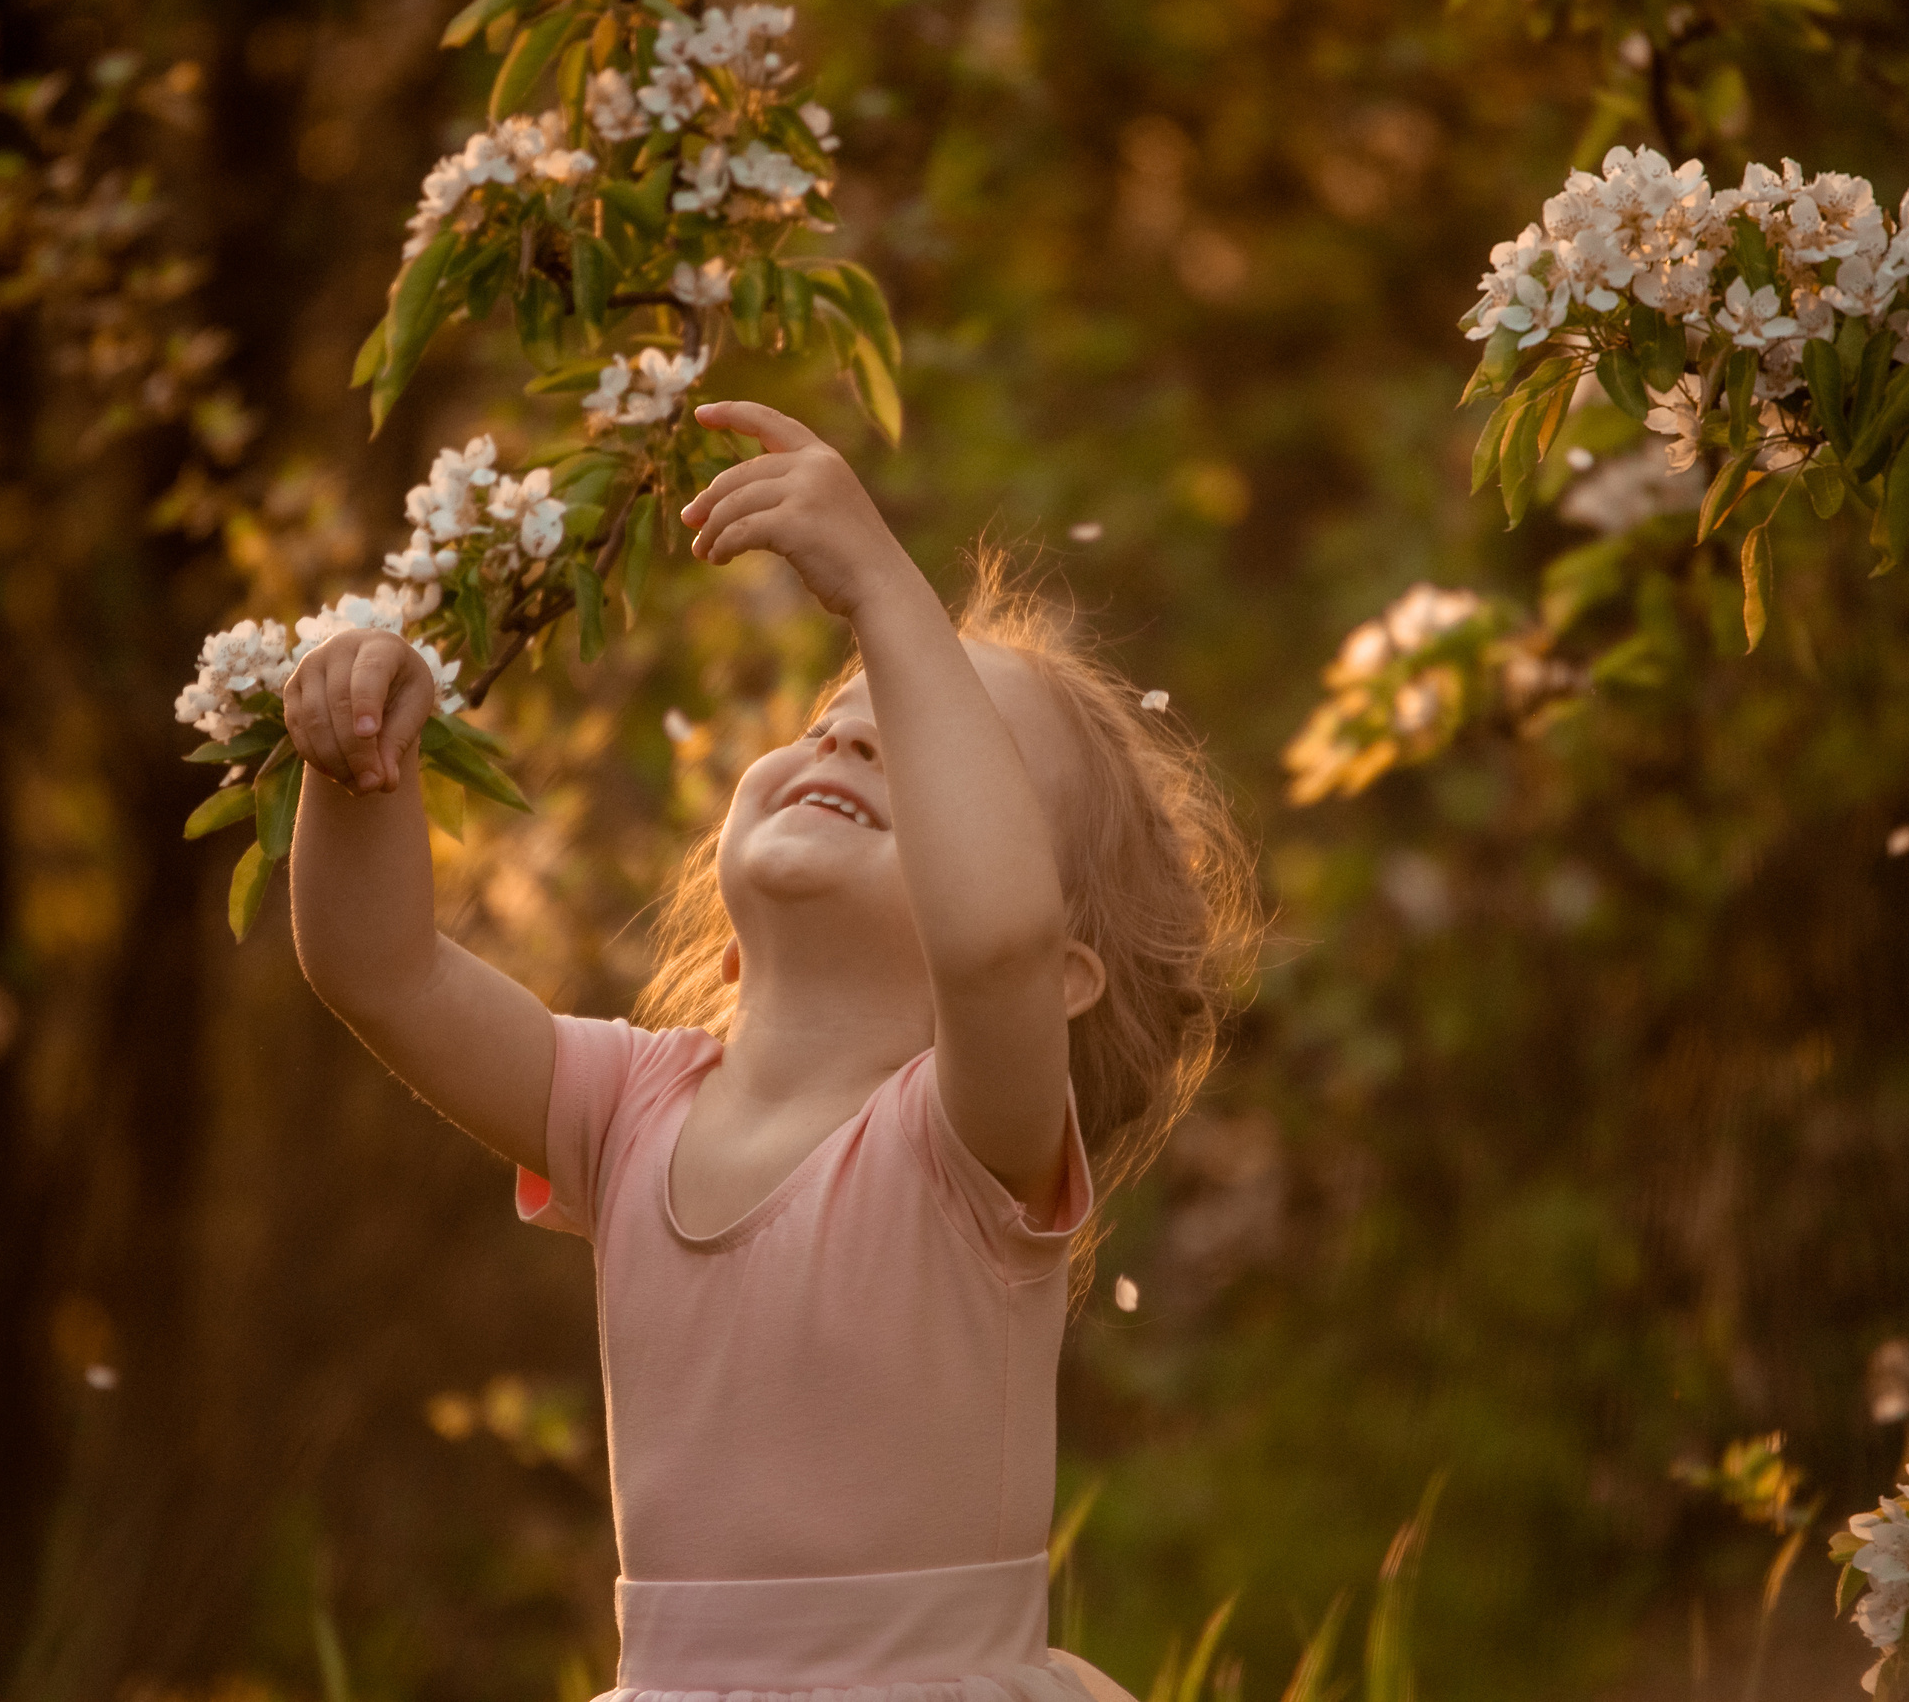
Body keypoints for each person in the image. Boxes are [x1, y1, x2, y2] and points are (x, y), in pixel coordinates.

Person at [282, 399, 1259, 1701]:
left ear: (1060, 978)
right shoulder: (626, 1110)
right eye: (835, 714)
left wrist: (881, 589)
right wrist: (354, 766)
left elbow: (993, 942)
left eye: (924, 732)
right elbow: (381, 972)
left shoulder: (968, 1141)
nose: (854, 728)